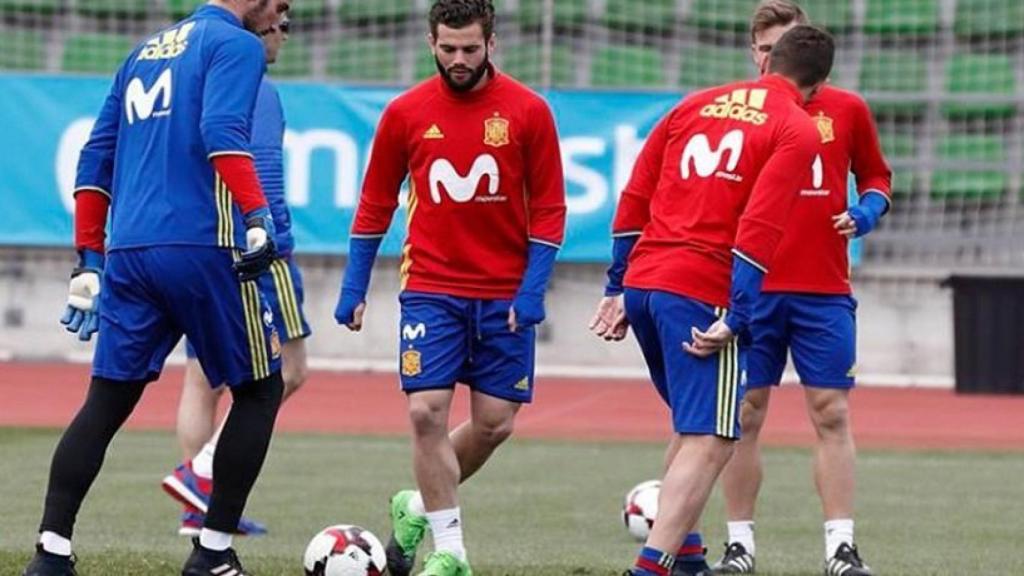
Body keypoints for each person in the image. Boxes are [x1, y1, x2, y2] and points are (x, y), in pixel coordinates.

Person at [21, 1, 290, 575]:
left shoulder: (142, 52)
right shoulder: (236, 46)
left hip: (131, 252)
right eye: (283, 3)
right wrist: (257, 216)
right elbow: (221, 133)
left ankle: (51, 551)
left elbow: (94, 160)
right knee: (262, 389)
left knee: (106, 402)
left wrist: (89, 259)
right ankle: (212, 552)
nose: (284, 12)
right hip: (204, 246)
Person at [588, 25, 835, 576]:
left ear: (768, 64)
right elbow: (760, 226)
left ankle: (692, 560)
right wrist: (740, 315)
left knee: (691, 425)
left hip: (647, 283)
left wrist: (617, 284)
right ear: (818, 86)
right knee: (714, 438)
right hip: (699, 292)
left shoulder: (696, 103)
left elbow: (635, 195)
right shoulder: (797, 127)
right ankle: (650, 568)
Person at [333, 1, 566, 574]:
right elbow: (374, 202)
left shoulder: (528, 111)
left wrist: (533, 291)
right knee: (425, 413)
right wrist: (354, 284)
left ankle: (416, 506)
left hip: (504, 294)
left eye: (469, 48)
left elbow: (552, 210)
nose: (458, 60)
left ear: (492, 42)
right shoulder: (406, 113)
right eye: (447, 49)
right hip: (431, 287)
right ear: (431, 42)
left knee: (494, 423)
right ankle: (451, 553)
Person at [708, 3, 891, 575]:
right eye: (764, 49)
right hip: (751, 289)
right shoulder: (736, 111)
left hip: (821, 288)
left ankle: (840, 547)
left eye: (784, 47)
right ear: (753, 53)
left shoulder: (848, 109)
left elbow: (878, 178)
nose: (774, 59)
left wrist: (863, 212)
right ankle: (740, 545)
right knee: (743, 414)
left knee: (831, 412)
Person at [160, 12, 311, 539]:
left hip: (207, 245)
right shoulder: (257, 86)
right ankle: (201, 474)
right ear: (261, 28)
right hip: (255, 249)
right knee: (288, 370)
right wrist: (277, 237)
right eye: (282, 22)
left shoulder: (197, 81)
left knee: (203, 378)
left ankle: (196, 509)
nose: (285, 34)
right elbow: (263, 166)